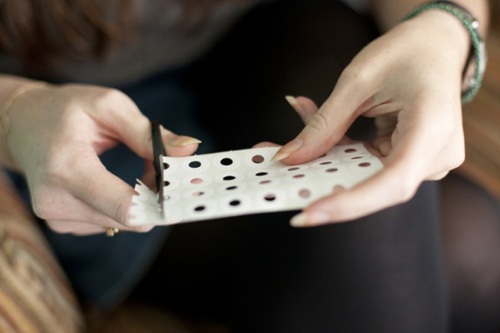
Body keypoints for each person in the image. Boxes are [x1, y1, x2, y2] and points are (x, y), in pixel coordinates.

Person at [0, 0, 491, 332]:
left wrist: (442, 32)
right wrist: (15, 111)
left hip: (271, 37)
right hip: (79, 123)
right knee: (466, 258)